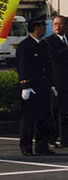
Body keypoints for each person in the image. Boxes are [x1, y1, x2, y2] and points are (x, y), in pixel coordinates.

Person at [16, 15, 57, 156]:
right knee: (28, 119)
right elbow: (22, 66)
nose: (45, 29)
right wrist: (25, 85)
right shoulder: (25, 46)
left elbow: (47, 66)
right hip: (31, 88)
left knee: (44, 117)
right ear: (36, 28)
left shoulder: (43, 45)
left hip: (43, 86)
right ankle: (26, 147)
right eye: (43, 26)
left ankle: (42, 146)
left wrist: (51, 84)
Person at [43, 15, 68, 148]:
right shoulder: (49, 41)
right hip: (57, 81)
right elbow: (52, 56)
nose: (57, 26)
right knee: (56, 111)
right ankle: (54, 137)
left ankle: (65, 139)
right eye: (55, 24)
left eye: (60, 24)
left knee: (66, 112)